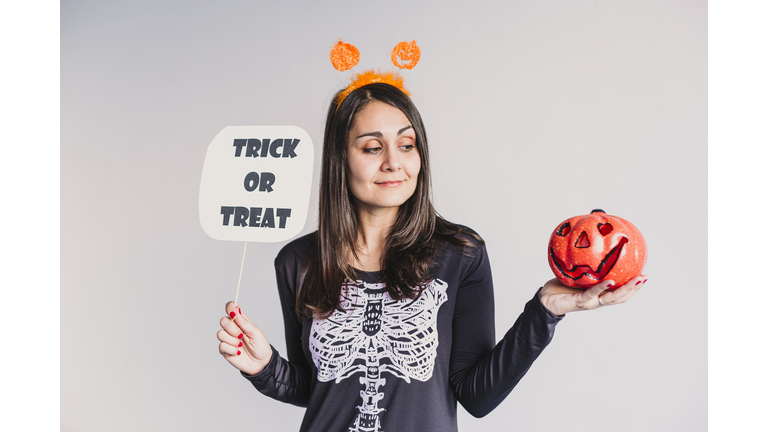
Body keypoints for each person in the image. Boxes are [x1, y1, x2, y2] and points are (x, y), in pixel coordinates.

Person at [217, 80, 646, 432]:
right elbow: (318, 388)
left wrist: (546, 310)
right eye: (371, 148)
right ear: (339, 159)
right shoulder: (299, 261)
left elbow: (476, 396)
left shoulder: (460, 253)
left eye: (407, 145)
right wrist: (264, 367)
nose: (394, 163)